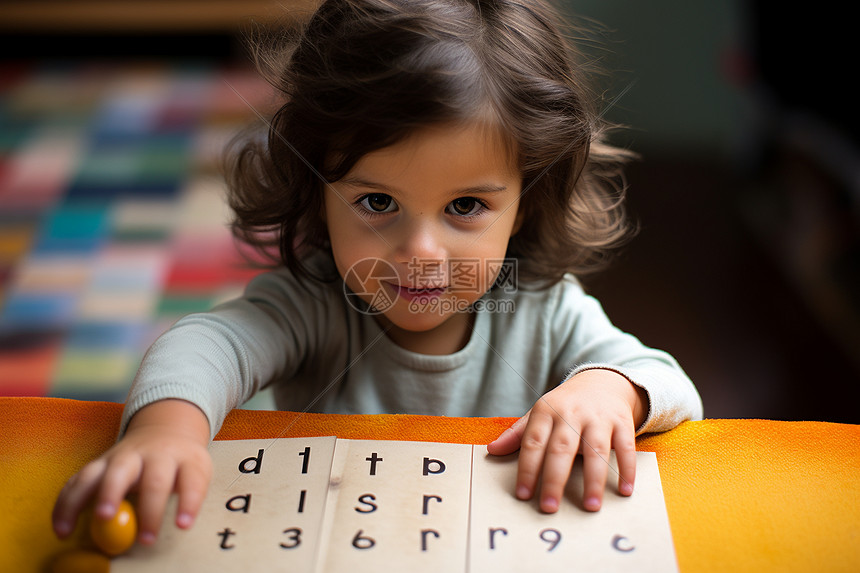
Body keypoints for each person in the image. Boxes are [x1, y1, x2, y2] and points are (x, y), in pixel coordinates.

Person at [53, 0, 703, 547]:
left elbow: (668, 382)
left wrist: (608, 389)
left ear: (525, 199)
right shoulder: (313, 298)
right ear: (316, 188)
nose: (421, 251)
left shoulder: (545, 306)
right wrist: (165, 429)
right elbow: (206, 344)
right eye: (377, 203)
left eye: (466, 206)